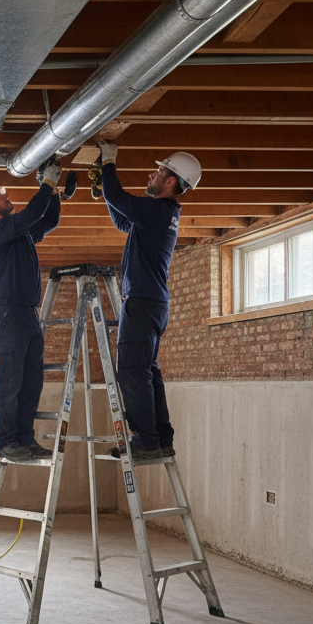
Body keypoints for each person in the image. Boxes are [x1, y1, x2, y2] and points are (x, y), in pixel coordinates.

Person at [97, 141, 201, 461]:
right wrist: (103, 185)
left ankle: (145, 438)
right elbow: (123, 220)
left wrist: (109, 163)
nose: (152, 175)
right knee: (147, 370)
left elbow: (119, 198)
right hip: (153, 303)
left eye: (159, 171)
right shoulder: (162, 214)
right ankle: (160, 437)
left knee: (132, 370)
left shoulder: (157, 210)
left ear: (171, 181)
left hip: (142, 302)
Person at [0, 158, 66, 463]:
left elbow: (46, 221)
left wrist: (53, 194)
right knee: (9, 380)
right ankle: (4, 441)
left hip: (26, 314)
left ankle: (24, 439)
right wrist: (46, 184)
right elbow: (31, 213)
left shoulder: (19, 233)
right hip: (7, 315)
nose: (5, 196)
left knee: (30, 381)